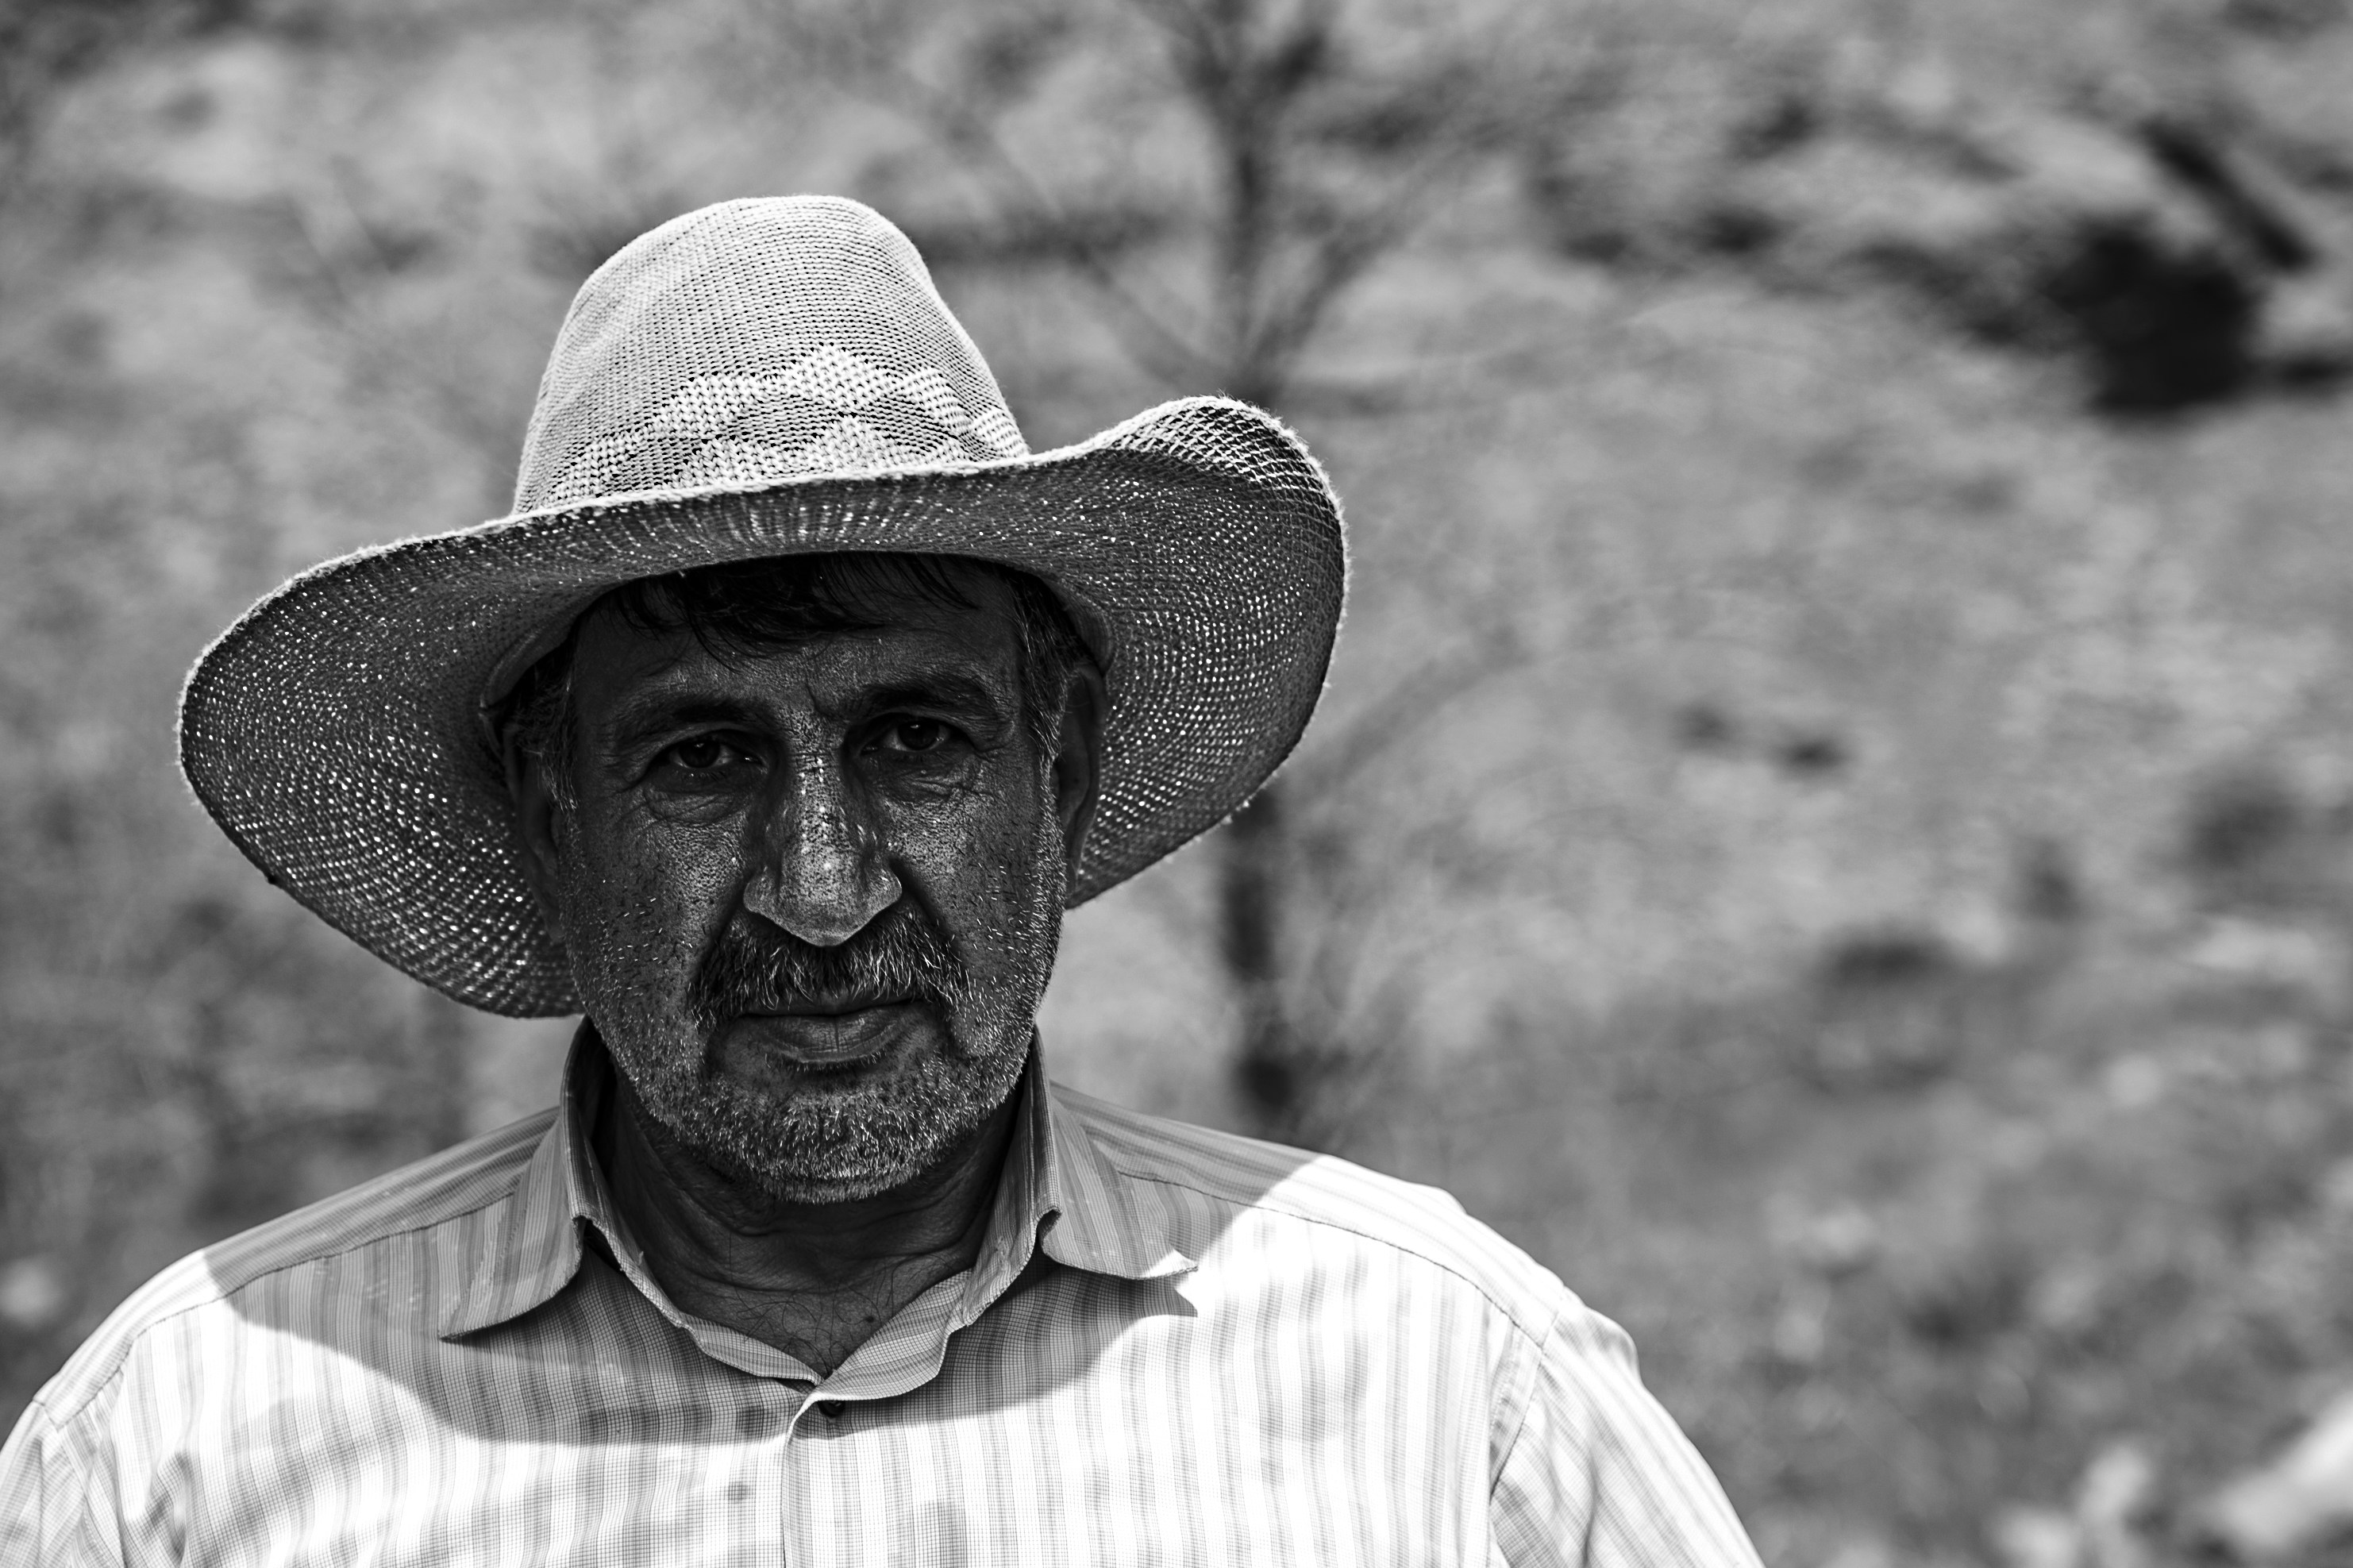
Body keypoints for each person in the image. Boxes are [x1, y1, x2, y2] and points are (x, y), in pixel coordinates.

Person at [0, 196, 1762, 1565]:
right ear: (550, 814)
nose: (824, 892)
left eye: (917, 739)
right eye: (701, 758)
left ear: (1059, 770)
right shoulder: (186, 1446)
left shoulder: (1447, 1385)